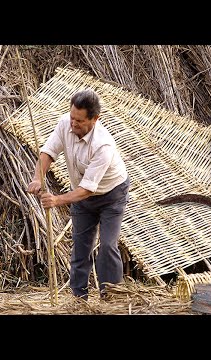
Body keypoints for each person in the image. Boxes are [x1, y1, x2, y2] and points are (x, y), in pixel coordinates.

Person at [27, 88, 130, 301]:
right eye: (72, 117)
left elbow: (87, 189)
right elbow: (48, 152)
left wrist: (56, 200)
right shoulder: (66, 122)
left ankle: (111, 297)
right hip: (82, 197)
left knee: (108, 245)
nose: (74, 124)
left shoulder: (103, 145)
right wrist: (38, 177)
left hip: (111, 195)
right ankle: (79, 298)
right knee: (81, 245)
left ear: (95, 119)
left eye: (80, 121)